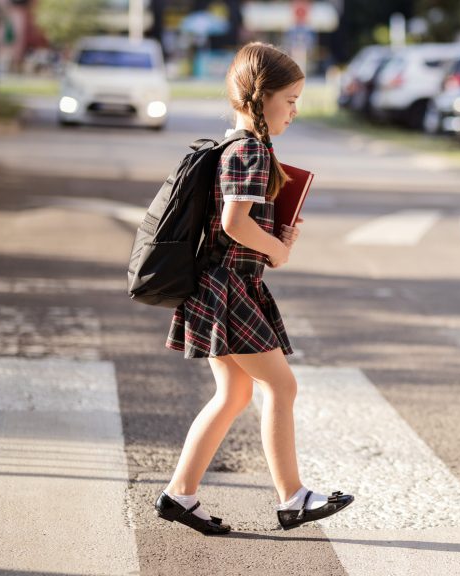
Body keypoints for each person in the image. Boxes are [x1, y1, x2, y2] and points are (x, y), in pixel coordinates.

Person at [153, 42, 353, 535]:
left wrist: (276, 239)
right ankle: (293, 498)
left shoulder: (237, 146)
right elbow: (235, 222)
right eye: (290, 99)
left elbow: (238, 228)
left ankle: (180, 494)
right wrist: (278, 250)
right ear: (261, 99)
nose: (295, 110)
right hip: (229, 289)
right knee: (281, 386)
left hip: (223, 284)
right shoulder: (251, 151)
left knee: (235, 394)